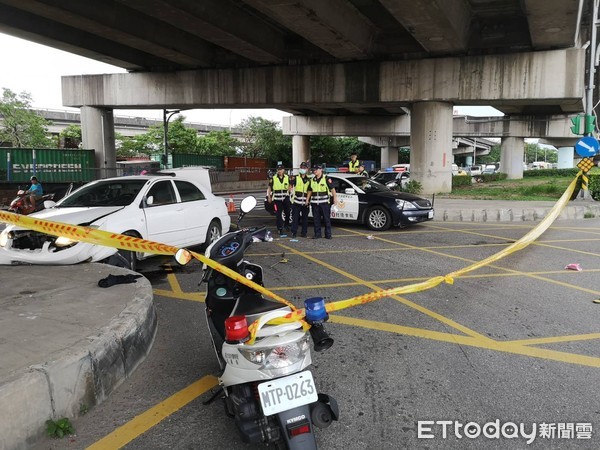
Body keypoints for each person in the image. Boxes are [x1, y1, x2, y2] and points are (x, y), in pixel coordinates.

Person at [306, 164, 337, 239]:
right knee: (316, 220)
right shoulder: (312, 180)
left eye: (316, 169)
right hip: (314, 203)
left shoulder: (326, 179)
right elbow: (310, 190)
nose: (315, 171)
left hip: (324, 203)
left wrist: (335, 198)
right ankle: (317, 234)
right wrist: (307, 199)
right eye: (314, 170)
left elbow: (332, 189)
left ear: (321, 170)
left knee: (326, 219)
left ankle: (328, 234)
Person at [267, 164, 291, 234]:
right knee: (278, 214)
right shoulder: (273, 178)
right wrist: (269, 197)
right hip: (277, 199)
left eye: (281, 169)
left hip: (285, 198)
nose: (279, 171)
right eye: (278, 170)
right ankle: (279, 228)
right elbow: (269, 188)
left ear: (283, 170)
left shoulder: (287, 177)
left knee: (287, 213)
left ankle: (286, 225)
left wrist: (289, 191)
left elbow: (290, 185)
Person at [290, 162, 310, 238]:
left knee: (305, 219)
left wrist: (307, 200)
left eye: (304, 168)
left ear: (307, 169)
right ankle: (293, 232)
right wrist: (291, 191)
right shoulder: (296, 178)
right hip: (296, 202)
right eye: (301, 167)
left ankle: (304, 233)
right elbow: (290, 186)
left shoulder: (309, 179)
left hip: (305, 202)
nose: (303, 169)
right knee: (295, 218)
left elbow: (309, 190)